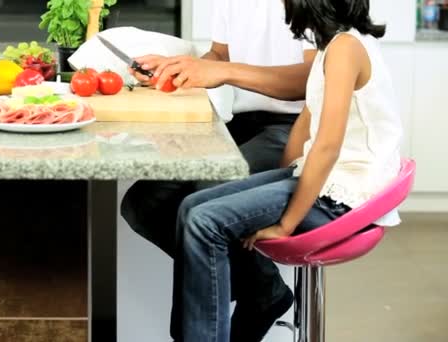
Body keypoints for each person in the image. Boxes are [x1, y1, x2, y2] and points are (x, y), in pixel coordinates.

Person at [173, 0, 402, 341]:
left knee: (204, 221)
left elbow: (327, 146)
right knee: (191, 206)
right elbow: (307, 125)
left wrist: (286, 222)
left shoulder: (345, 49)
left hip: (340, 195)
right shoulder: (333, 45)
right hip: (323, 179)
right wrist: (271, 187)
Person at [121, 1, 315, 340]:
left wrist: (226, 72)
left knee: (207, 190)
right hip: (242, 120)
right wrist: (180, 69)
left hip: (298, 124)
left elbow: (314, 78)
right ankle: (263, 288)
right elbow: (220, 57)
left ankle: (219, 316)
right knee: (143, 204)